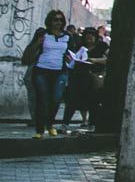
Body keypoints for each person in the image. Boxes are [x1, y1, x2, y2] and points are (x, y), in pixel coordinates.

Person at [26, 10, 72, 138]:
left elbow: (71, 52)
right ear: (49, 21)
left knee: (56, 100)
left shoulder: (67, 36)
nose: (58, 22)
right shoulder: (43, 34)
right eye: (55, 20)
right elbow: (31, 48)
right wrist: (38, 42)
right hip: (41, 70)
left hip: (60, 71)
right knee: (42, 99)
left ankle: (50, 124)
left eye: (60, 20)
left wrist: (70, 58)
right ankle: (39, 130)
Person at [62, 27, 96, 128]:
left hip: (92, 77)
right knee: (72, 99)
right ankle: (66, 122)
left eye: (92, 34)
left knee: (91, 100)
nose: (89, 37)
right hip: (78, 75)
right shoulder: (79, 46)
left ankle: (91, 122)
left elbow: (107, 58)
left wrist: (95, 60)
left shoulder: (101, 46)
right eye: (87, 34)